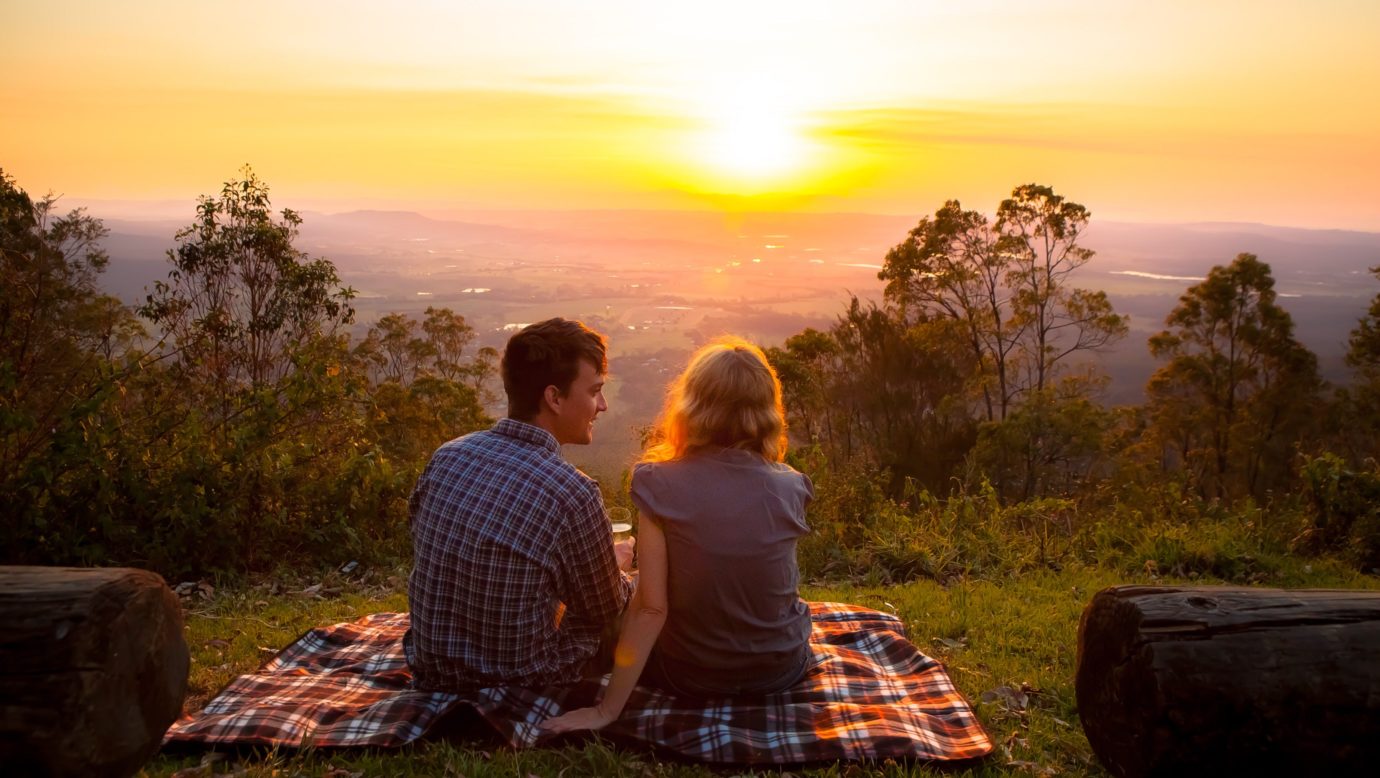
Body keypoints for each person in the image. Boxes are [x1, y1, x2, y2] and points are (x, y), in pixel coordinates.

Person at [542, 336, 814, 733]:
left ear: (691, 405)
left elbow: (652, 609)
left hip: (690, 676)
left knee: (627, 596)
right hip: (779, 670)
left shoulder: (657, 483)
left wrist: (606, 710)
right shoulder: (793, 486)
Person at [405, 318, 635, 691]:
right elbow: (604, 608)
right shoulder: (572, 492)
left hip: (432, 667)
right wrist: (618, 568)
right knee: (639, 600)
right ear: (554, 398)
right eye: (594, 391)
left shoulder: (448, 455)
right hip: (519, 680)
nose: (603, 405)